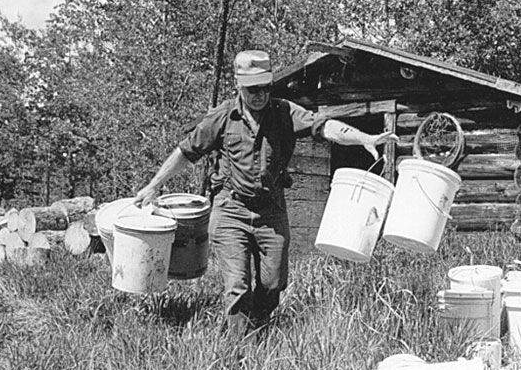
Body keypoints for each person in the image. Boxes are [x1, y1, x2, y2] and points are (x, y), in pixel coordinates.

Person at [134, 50, 396, 336]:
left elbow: (325, 126)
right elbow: (186, 152)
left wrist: (364, 138)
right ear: (238, 85)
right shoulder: (221, 117)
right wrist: (153, 185)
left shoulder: (284, 112)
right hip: (230, 209)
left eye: (265, 87)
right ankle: (238, 350)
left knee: (273, 283)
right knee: (237, 284)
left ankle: (255, 326)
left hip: (271, 211)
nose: (260, 94)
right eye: (252, 88)